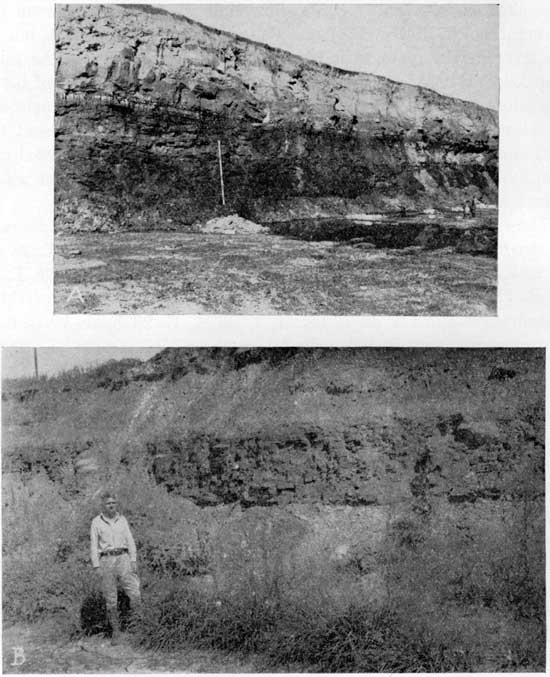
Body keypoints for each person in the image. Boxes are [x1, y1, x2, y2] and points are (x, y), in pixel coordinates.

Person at [90, 490, 142, 645]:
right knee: (110, 597)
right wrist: (96, 565)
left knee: (134, 591)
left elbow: (130, 540)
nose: (111, 506)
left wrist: (133, 559)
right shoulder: (96, 522)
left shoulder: (122, 520)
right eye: (108, 503)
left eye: (113, 503)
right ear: (103, 505)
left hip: (123, 557)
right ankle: (116, 632)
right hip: (106, 559)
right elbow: (93, 545)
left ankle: (139, 628)